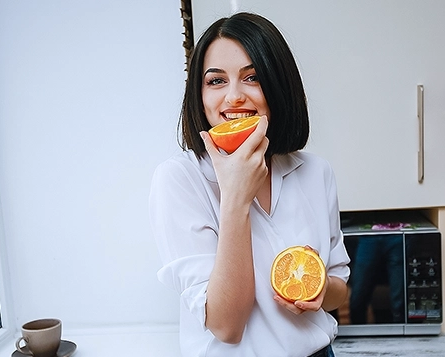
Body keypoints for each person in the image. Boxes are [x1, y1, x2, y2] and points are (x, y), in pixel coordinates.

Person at [149, 12, 350, 357]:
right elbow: (227, 326)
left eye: (252, 77)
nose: (233, 98)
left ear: (277, 85)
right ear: (199, 94)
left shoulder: (316, 172)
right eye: (216, 81)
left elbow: (339, 288)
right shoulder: (179, 180)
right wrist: (236, 198)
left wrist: (318, 293)